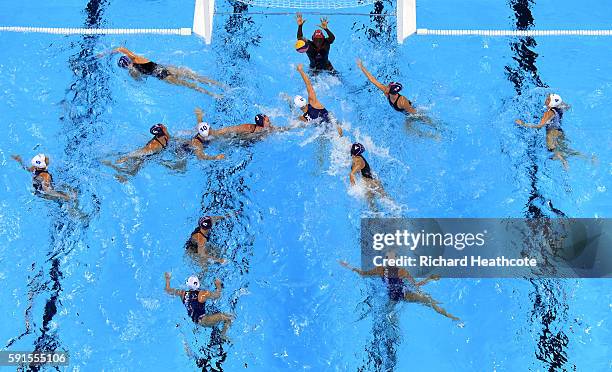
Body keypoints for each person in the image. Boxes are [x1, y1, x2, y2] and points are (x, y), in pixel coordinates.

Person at [339, 253, 460, 321]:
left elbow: (416, 285)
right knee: (389, 318)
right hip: (393, 298)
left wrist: (429, 279)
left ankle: (451, 317)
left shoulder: (402, 271)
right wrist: (348, 266)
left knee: (429, 300)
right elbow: (363, 274)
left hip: (404, 294)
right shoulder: (380, 269)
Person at [356, 59, 440, 139]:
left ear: (392, 91)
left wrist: (414, 119)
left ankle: (432, 135)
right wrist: (361, 66)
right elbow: (373, 80)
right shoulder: (386, 91)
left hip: (411, 113)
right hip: (407, 112)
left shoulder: (402, 102)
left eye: (389, 86)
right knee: (409, 131)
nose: (387, 85)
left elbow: (414, 113)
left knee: (411, 130)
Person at [104, 47, 226, 98]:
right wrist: (108, 52)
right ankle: (222, 86)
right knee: (196, 77)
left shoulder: (133, 73)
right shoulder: (136, 58)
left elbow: (141, 82)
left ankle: (214, 95)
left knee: (190, 85)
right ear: (128, 59)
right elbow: (120, 48)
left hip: (163, 77)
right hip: (167, 68)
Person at [515, 93, 586, 170]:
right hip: (560, 132)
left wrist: (523, 124)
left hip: (551, 133)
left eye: (548, 99)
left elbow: (540, 126)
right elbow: (568, 106)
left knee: (552, 150)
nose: (546, 100)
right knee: (565, 149)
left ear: (552, 103)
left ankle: (564, 162)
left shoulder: (548, 113)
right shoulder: (559, 108)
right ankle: (588, 158)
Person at [164, 272, 233, 341]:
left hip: (195, 320)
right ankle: (222, 335)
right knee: (229, 318)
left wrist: (167, 279)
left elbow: (168, 290)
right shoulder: (203, 294)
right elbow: (218, 296)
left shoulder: (182, 293)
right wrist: (218, 285)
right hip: (205, 320)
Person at [102, 123, 170, 181]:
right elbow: (141, 152)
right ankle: (108, 163)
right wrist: (126, 157)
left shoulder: (165, 137)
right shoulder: (155, 145)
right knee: (128, 174)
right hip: (140, 158)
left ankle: (110, 165)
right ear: (162, 131)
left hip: (145, 158)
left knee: (128, 175)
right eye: (163, 127)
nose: (165, 127)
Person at [295, 64, 343, 136]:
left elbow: (294, 125)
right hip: (333, 126)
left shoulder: (303, 118)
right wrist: (300, 70)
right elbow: (308, 84)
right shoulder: (313, 102)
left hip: (323, 132)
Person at [11, 153, 77, 201]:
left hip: (37, 188)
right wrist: (63, 196)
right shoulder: (46, 176)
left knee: (65, 186)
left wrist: (20, 161)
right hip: (43, 194)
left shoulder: (34, 168)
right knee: (67, 199)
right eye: (46, 159)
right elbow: (48, 191)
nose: (47, 158)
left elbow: (27, 169)